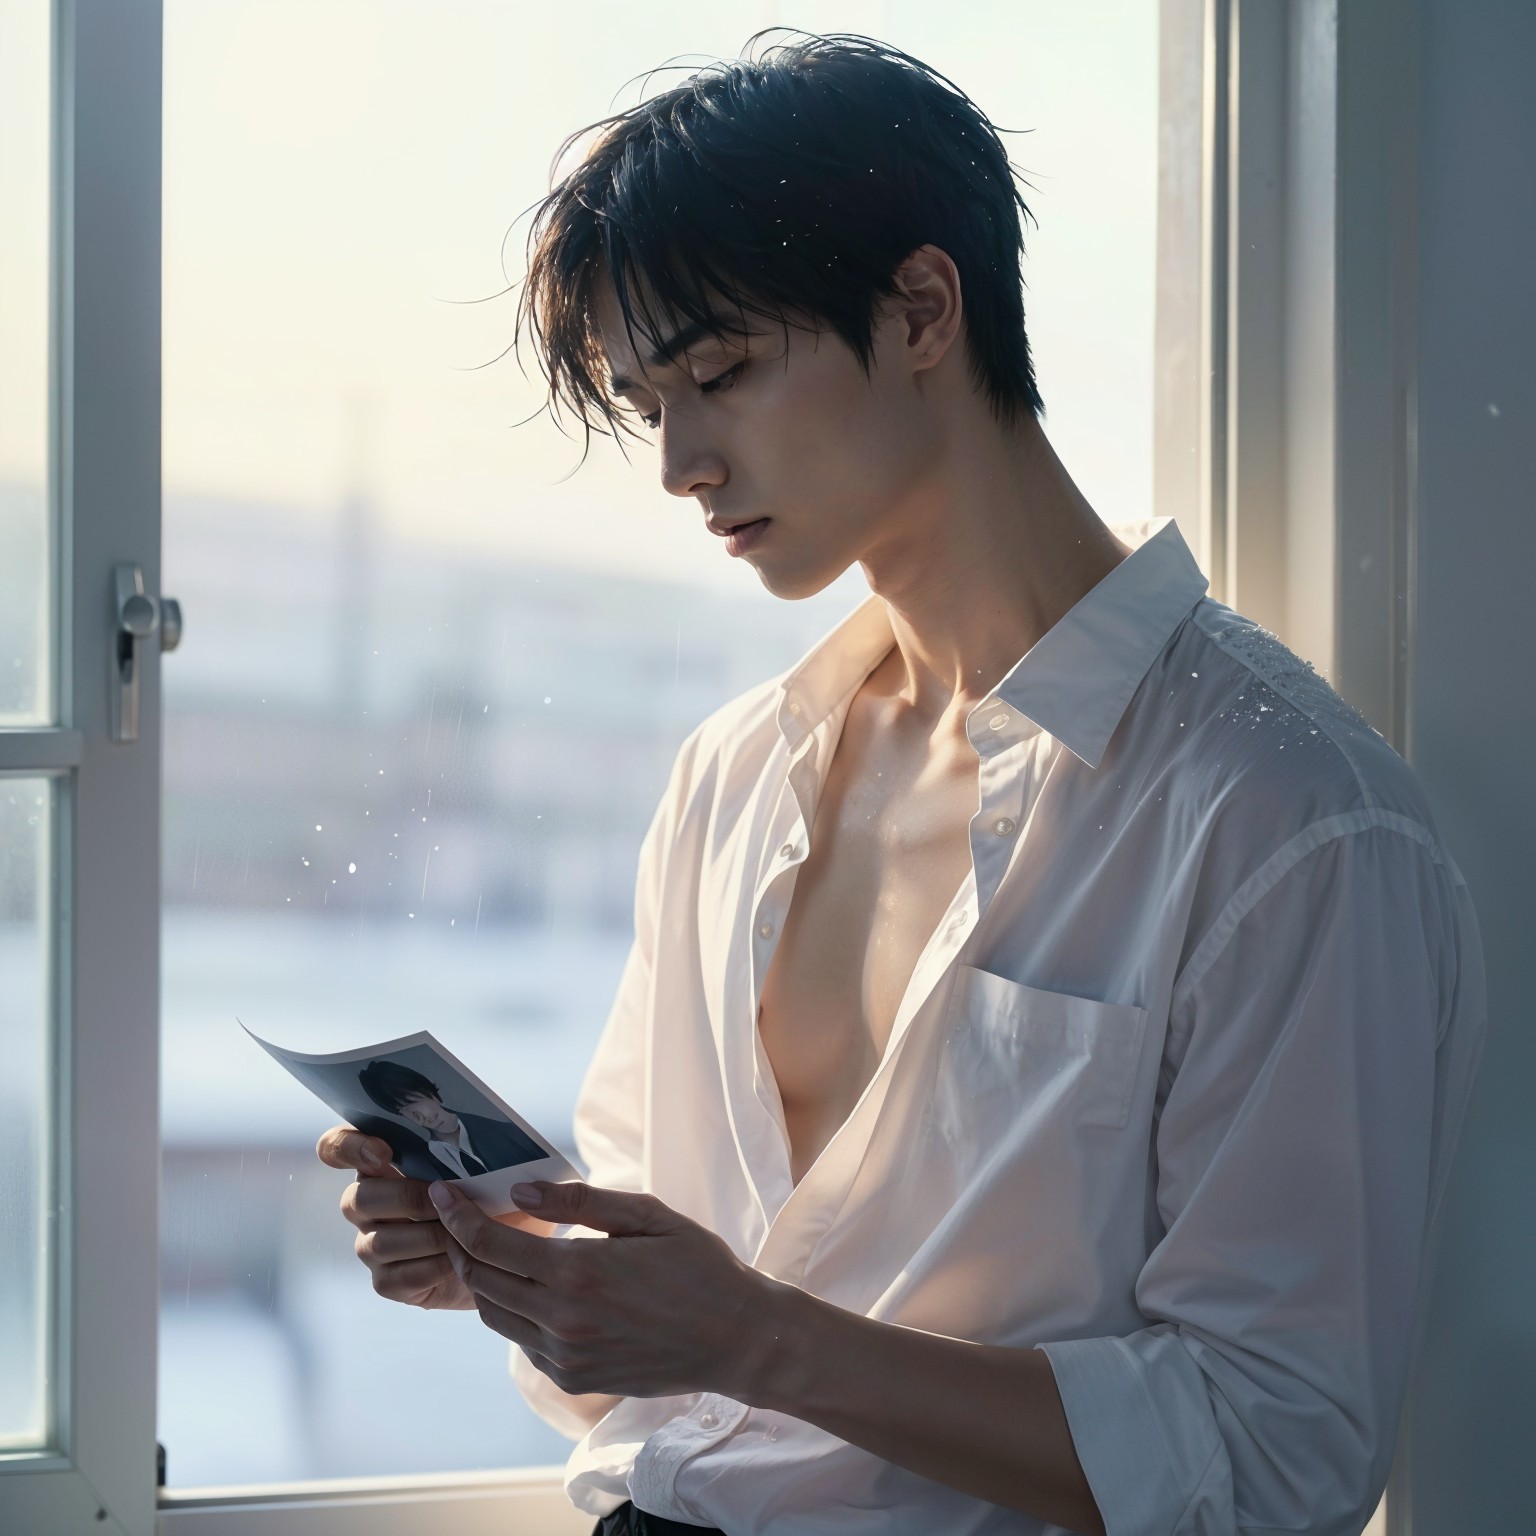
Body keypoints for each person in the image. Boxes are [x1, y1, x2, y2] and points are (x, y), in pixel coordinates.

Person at [318, 28, 1487, 1536]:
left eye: (720, 372)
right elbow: (669, 1361)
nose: (678, 458)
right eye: (645, 401)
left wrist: (747, 1334)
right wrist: (512, 1259)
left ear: (924, 309)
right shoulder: (735, 776)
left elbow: (1277, 1456)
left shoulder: (1292, 824)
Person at [355, 1058, 544, 1180]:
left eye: (418, 1099)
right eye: (406, 1110)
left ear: (432, 1093)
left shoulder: (510, 1134)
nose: (424, 1117)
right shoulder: (417, 1163)